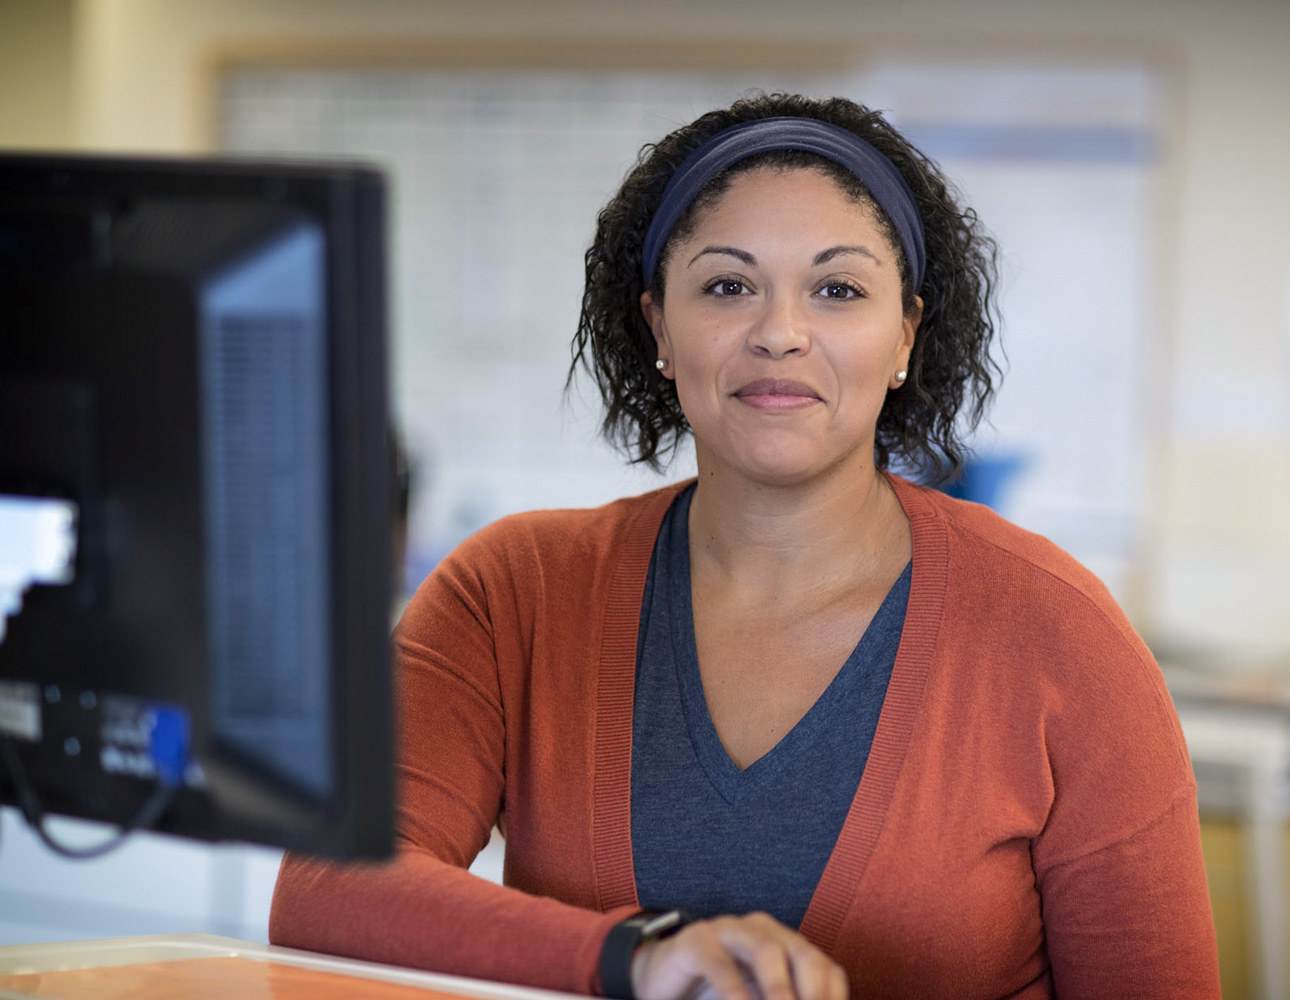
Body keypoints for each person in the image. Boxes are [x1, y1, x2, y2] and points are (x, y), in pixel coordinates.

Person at [270, 93, 1221, 1000]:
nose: (780, 334)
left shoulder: (1057, 630)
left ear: (905, 336)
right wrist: (637, 959)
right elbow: (328, 889)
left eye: (838, 290)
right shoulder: (512, 591)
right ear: (659, 327)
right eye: (728, 286)